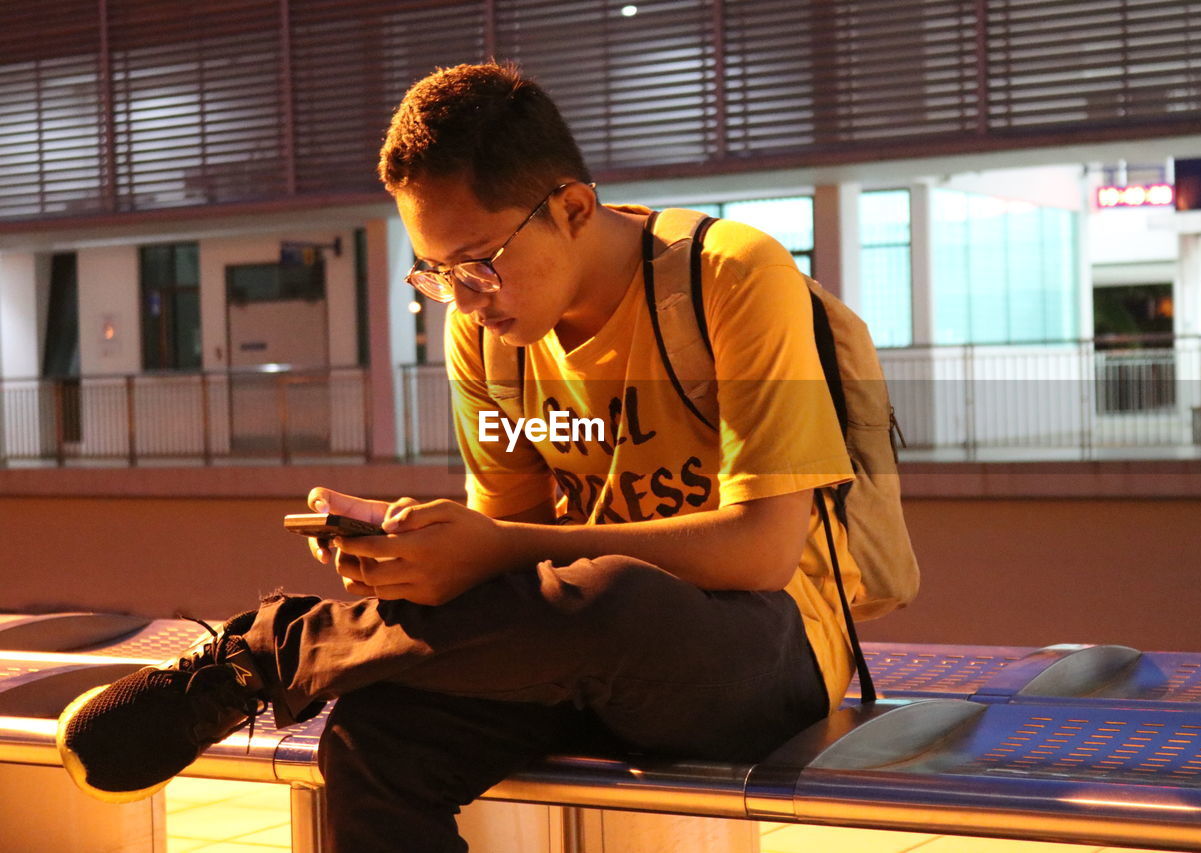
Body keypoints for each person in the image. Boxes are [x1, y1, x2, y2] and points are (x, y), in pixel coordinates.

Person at [56, 62, 859, 852]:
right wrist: (428, 556)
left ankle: (266, 654)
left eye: (478, 262)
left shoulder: (730, 273)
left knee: (615, 594)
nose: (466, 296)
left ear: (574, 208)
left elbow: (761, 549)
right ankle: (262, 659)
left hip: (764, 649)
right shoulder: (483, 333)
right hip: (575, 646)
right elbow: (519, 570)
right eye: (437, 272)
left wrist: (502, 548)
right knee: (375, 736)